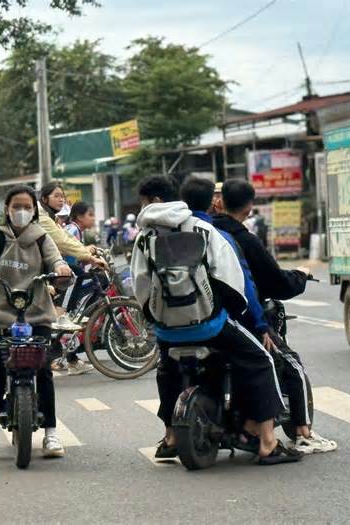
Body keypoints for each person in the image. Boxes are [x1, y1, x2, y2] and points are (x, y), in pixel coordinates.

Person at [131, 175, 301, 465]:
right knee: (261, 359)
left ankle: (171, 436)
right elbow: (234, 282)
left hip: (167, 331)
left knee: (167, 367)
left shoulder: (145, 238)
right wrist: (242, 316)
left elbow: (139, 285)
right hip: (210, 326)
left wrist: (159, 319)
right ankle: (269, 442)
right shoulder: (205, 230)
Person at [213, 179, 337, 454]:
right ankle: (303, 433)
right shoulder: (242, 240)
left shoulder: (204, 233)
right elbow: (271, 283)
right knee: (290, 364)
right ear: (249, 207)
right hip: (242, 319)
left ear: (218, 203)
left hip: (204, 320)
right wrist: (301, 276)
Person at [0, 185, 72, 458]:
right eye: (16, 207)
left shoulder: (41, 237)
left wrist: (60, 268)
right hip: (0, 315)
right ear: (7, 210)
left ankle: (51, 434)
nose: (21, 211)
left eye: (27, 207)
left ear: (34, 210)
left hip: (37, 313)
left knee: (44, 371)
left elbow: (55, 259)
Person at [39, 182, 103, 372]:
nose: (61, 199)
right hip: (39, 266)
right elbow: (64, 241)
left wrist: (87, 254)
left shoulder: (49, 218)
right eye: (56, 196)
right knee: (73, 277)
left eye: (62, 196)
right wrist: (88, 255)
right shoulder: (42, 217)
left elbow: (61, 238)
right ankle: (62, 313)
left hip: (46, 264)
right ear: (44, 199)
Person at [51, 201, 98, 375]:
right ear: (79, 217)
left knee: (69, 317)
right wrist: (85, 251)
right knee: (62, 315)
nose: (93, 218)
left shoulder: (77, 231)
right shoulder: (72, 230)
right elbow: (65, 249)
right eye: (90, 214)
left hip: (70, 274)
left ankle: (71, 359)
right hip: (66, 277)